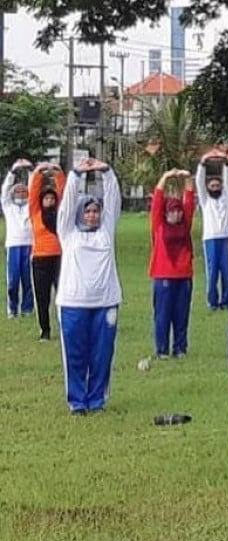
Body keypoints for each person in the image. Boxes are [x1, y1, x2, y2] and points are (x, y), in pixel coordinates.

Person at [56, 158, 122, 414]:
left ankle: (96, 399)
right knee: (75, 354)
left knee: (102, 354)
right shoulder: (68, 233)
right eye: (88, 211)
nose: (93, 215)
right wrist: (76, 175)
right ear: (80, 214)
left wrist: (106, 171)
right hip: (73, 304)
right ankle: (77, 401)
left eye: (96, 211)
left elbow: (113, 199)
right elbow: (67, 205)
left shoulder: (106, 231)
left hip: (106, 302)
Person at [148, 168, 196, 359]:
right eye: (172, 211)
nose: (176, 214)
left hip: (184, 276)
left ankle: (180, 348)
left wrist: (187, 178)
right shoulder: (159, 226)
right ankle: (162, 350)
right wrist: (165, 177)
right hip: (163, 276)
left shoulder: (185, 225)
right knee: (163, 315)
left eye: (178, 211)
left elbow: (189, 201)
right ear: (166, 213)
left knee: (182, 314)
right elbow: (157, 202)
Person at [28, 162, 65, 341]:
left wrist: (58, 173)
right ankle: (45, 330)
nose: (49, 201)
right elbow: (33, 194)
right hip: (40, 259)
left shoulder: (60, 214)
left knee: (63, 294)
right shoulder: (36, 213)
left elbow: (64, 194)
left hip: (59, 258)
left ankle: (65, 326)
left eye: (52, 198)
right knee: (42, 297)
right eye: (46, 198)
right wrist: (38, 173)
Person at [196, 149, 228, 310]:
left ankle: (226, 301)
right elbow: (199, 182)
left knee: (227, 270)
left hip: (227, 237)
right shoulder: (205, 201)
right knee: (212, 272)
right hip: (210, 239)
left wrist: (226, 163)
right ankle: (212, 301)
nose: (215, 188)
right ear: (208, 188)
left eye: (218, 185)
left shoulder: (225, 198)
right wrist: (203, 163)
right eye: (212, 186)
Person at [3, 159, 34, 319]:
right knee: (13, 280)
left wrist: (30, 171)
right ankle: (12, 309)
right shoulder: (8, 207)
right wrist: (12, 172)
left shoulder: (31, 206)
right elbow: (4, 191)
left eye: (23, 191)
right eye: (18, 191)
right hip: (13, 246)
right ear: (13, 194)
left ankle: (27, 309)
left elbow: (35, 189)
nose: (21, 194)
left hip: (29, 245)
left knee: (28, 279)